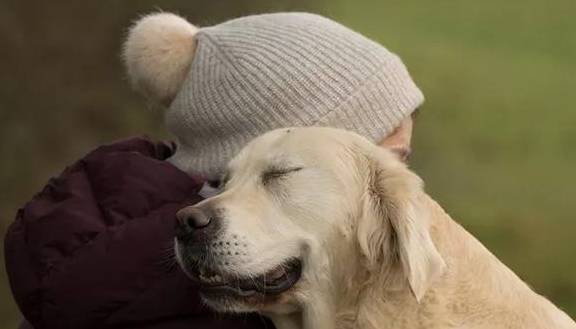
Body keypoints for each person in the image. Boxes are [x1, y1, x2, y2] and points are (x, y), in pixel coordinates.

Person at [5, 12, 423, 329]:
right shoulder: (218, 292)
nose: (403, 182)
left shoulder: (121, 238)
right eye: (392, 158)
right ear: (279, 155)